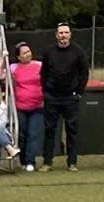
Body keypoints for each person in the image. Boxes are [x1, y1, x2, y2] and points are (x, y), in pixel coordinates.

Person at [40, 22, 88, 171]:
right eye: (61, 33)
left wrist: (79, 92)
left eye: (66, 32)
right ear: (56, 35)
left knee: (72, 130)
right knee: (50, 130)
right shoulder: (49, 51)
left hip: (70, 97)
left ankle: (72, 162)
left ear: (70, 34)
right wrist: (46, 92)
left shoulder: (78, 51)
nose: (63, 36)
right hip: (52, 97)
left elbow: (84, 73)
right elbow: (43, 73)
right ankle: (47, 162)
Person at [3, 42, 43, 170]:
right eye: (25, 52)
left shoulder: (39, 65)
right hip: (20, 107)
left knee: (33, 134)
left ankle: (31, 162)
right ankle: (23, 160)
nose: (28, 54)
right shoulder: (14, 67)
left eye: (29, 51)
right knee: (22, 134)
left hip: (37, 106)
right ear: (19, 57)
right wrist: (2, 59)